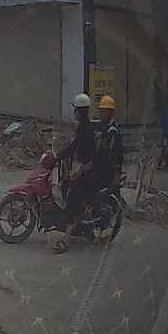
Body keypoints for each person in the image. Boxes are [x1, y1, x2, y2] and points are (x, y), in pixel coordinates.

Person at [55, 93, 97, 253]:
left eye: (76, 110)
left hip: (86, 170)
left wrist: (81, 165)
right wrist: (60, 155)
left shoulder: (86, 129)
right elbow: (74, 145)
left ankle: (66, 240)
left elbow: (82, 149)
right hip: (81, 167)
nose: (74, 113)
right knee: (65, 187)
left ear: (80, 111)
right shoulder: (83, 127)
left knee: (72, 199)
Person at [94, 95, 124, 193]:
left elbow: (116, 155)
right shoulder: (105, 129)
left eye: (103, 112)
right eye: (100, 112)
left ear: (110, 112)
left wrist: (116, 175)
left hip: (109, 173)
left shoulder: (113, 131)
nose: (100, 115)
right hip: (103, 171)